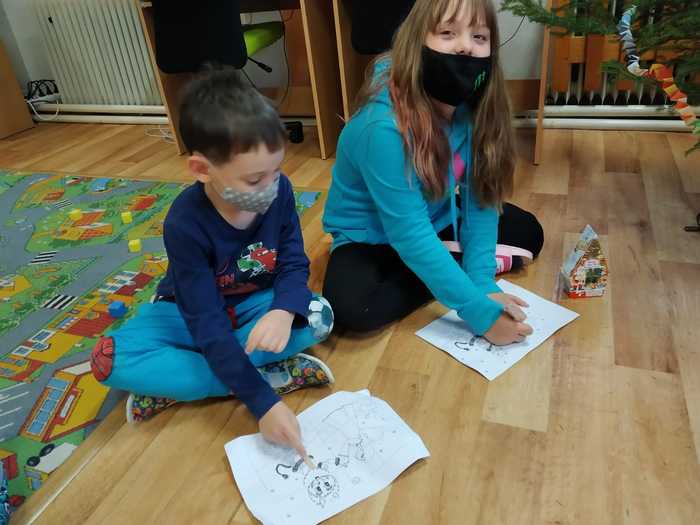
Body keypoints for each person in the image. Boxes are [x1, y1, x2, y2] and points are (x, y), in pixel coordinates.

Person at [90, 68, 334, 457]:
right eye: (254, 181)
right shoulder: (184, 223)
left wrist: (283, 311)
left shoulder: (280, 190)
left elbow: (292, 261)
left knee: (320, 317)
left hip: (254, 303)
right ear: (203, 170)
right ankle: (260, 376)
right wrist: (263, 403)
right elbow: (204, 319)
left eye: (276, 172)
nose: (270, 188)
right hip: (186, 311)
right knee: (107, 360)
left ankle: (185, 383)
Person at [322, 0, 543, 343]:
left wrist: (483, 282)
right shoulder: (381, 128)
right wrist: (480, 311)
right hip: (370, 239)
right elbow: (409, 233)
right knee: (354, 310)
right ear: (416, 43)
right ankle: (445, 268)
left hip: (434, 220)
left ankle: (445, 268)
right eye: (447, 33)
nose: (466, 47)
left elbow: (481, 201)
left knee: (529, 231)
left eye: (479, 37)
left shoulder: (473, 107)